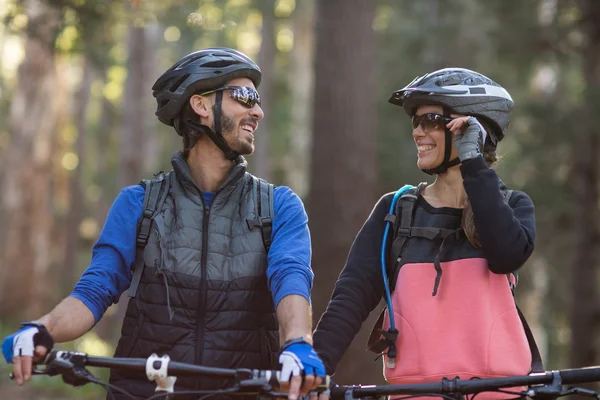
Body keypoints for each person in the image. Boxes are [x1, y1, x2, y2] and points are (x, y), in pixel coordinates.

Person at [2, 47, 325, 400]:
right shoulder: (140, 203)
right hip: (146, 391)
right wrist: (43, 329)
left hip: (243, 391)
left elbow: (290, 276)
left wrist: (297, 344)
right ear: (201, 106)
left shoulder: (278, 207)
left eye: (257, 100)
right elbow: (96, 287)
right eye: (245, 97)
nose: (258, 111)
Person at [313, 68, 539, 398]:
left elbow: (506, 254)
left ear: (472, 126)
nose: (418, 132)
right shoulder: (395, 210)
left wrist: (472, 161)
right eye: (415, 122)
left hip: (499, 392)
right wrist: (313, 366)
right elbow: (351, 297)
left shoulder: (512, 205)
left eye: (431, 120)